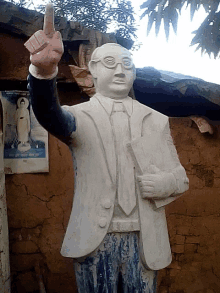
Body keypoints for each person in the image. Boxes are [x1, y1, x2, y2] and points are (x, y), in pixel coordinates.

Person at [25, 4, 189, 292]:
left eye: (127, 65)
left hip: (145, 239)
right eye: (110, 64)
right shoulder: (79, 117)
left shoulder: (156, 121)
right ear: (92, 72)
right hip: (94, 240)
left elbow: (180, 177)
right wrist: (43, 71)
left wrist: (163, 183)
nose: (120, 70)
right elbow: (48, 113)